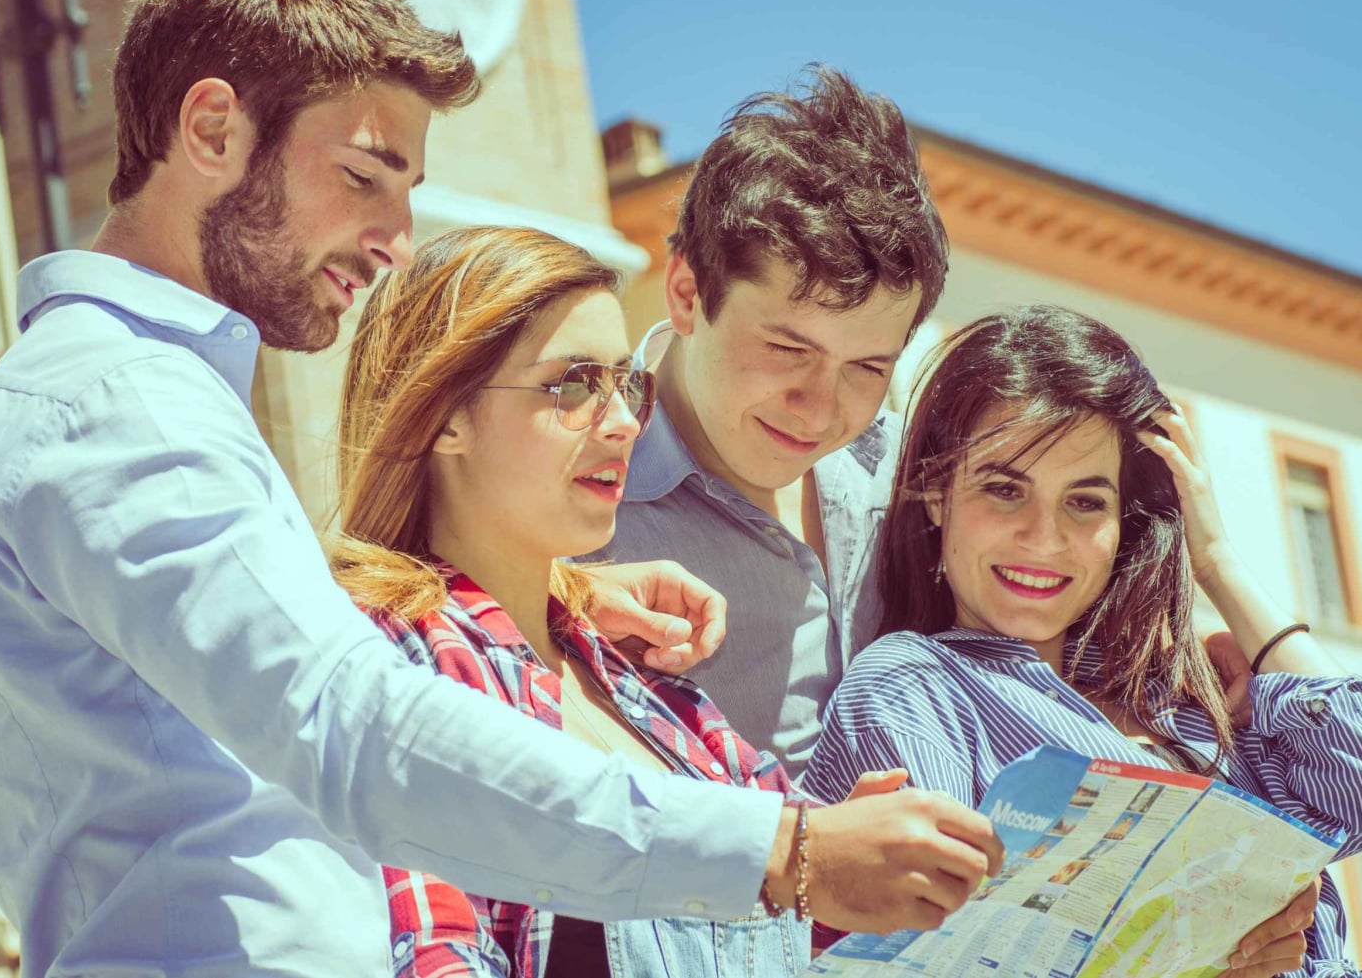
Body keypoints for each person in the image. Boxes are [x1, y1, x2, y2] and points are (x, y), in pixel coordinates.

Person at [0, 0, 997, 975]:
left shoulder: (152, 398)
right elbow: (355, 724)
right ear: (212, 130)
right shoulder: (116, 400)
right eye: (364, 176)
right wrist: (788, 850)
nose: (396, 242)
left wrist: (555, 597)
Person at [332, 225, 989, 976]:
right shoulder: (392, 658)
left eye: (626, 384)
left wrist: (855, 858)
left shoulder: (637, 675)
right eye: (574, 384)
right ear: (445, 413)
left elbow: (795, 883)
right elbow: (436, 955)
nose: (622, 422)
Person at [803, 305, 1362, 978]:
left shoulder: (1182, 697)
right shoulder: (911, 688)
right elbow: (946, 956)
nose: (1044, 538)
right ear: (937, 493)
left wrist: (1217, 561)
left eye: (1085, 501)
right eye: (1004, 489)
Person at [592, 66, 945, 776]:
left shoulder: (910, 475)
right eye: (788, 349)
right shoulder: (564, 491)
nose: (821, 409)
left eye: (866, 367)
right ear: (687, 293)